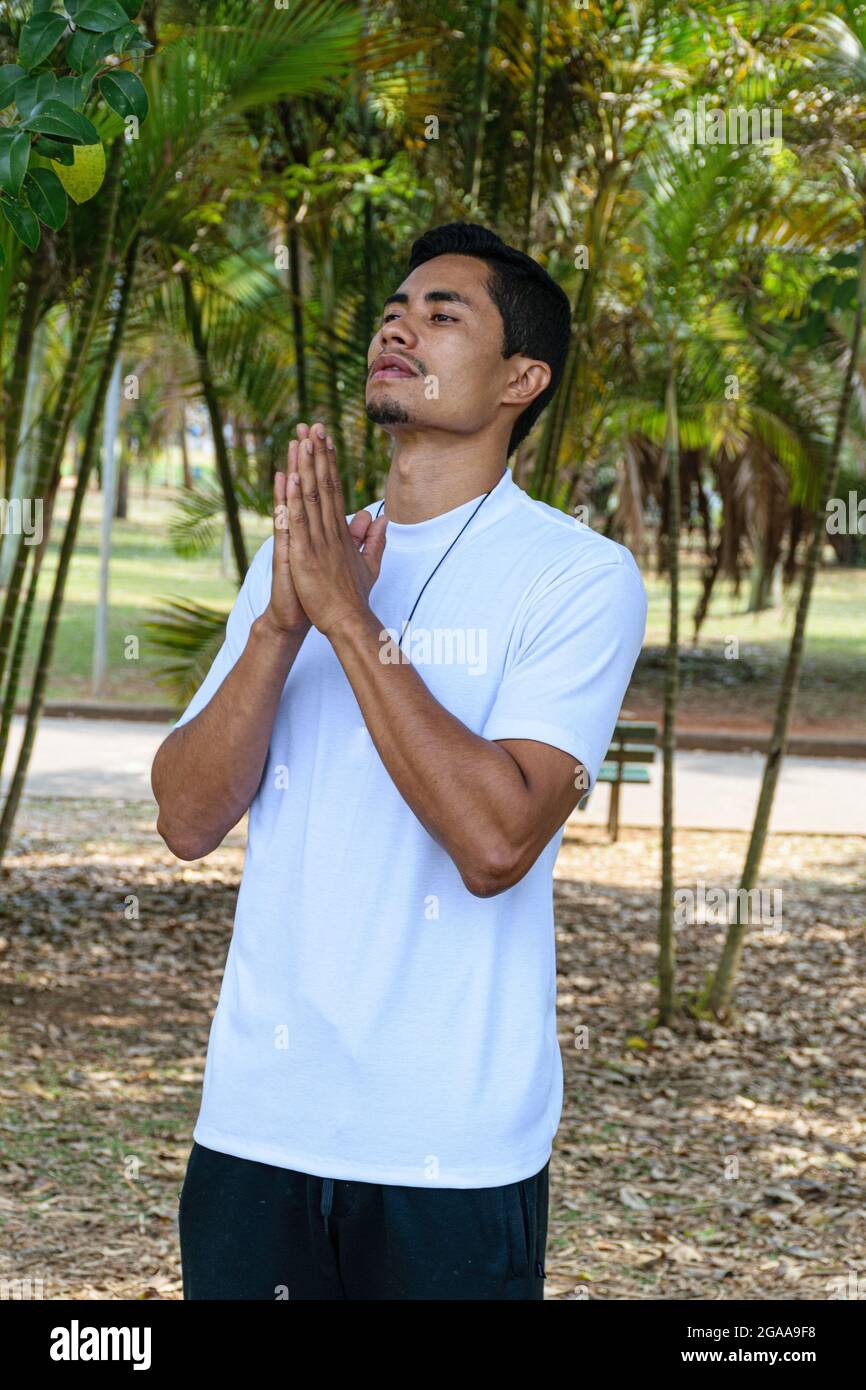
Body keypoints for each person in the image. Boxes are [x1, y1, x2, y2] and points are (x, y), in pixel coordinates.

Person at [151, 222, 647, 1301]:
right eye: (394, 307)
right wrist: (285, 623)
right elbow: (186, 820)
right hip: (256, 1127)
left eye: (441, 312)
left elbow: (493, 841)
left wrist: (345, 617)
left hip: (450, 1147)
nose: (397, 323)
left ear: (522, 377)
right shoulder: (304, 548)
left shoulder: (577, 578)